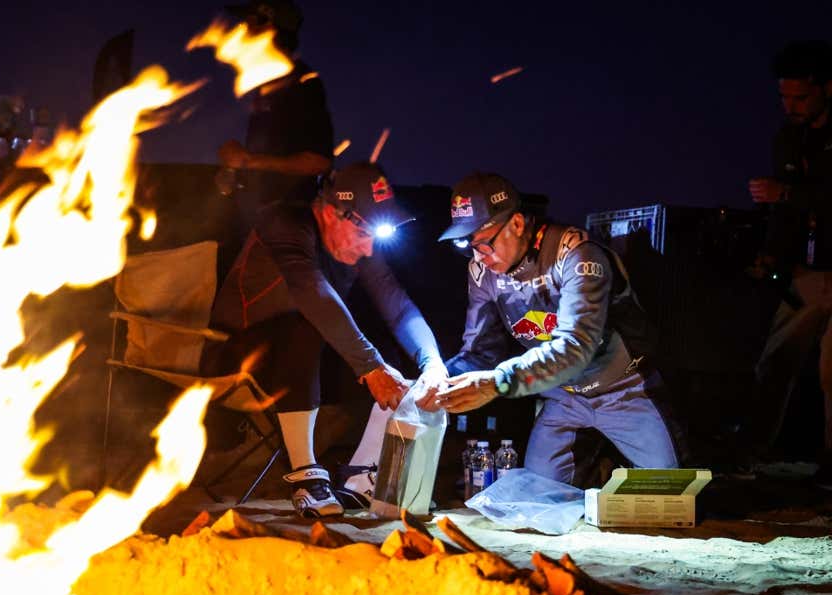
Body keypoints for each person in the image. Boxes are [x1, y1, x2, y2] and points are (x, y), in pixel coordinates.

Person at [203, 161, 447, 518]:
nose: (368, 251)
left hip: (298, 369)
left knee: (387, 350)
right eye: (365, 235)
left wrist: (433, 363)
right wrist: (371, 367)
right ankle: (306, 480)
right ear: (334, 213)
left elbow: (396, 305)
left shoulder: (356, 245)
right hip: (230, 356)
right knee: (313, 325)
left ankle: (363, 478)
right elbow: (312, 292)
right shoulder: (283, 222)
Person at [427, 172, 680, 486]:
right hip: (564, 398)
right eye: (467, 246)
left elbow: (576, 346)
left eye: (484, 243)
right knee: (539, 495)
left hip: (624, 389)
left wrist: (497, 383)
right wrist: (437, 380)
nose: (479, 256)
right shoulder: (481, 271)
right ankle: (595, 470)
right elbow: (480, 352)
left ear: (517, 224)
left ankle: (612, 462)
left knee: (673, 495)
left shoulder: (577, 253)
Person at [747, 40, 832, 483]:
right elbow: (787, 211)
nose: (791, 105)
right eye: (785, 96)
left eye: (800, 96)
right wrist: (770, 254)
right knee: (775, 360)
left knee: (829, 373)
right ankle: (757, 451)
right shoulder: (790, 137)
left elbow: (800, 198)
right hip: (805, 274)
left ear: (827, 89)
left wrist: (788, 194)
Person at [216, 1, 333, 232]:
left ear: (270, 30)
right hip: (258, 220)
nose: (242, 31)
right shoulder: (267, 86)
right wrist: (233, 174)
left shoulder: (303, 83)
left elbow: (318, 161)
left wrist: (248, 160)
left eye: (248, 23)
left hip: (287, 222)